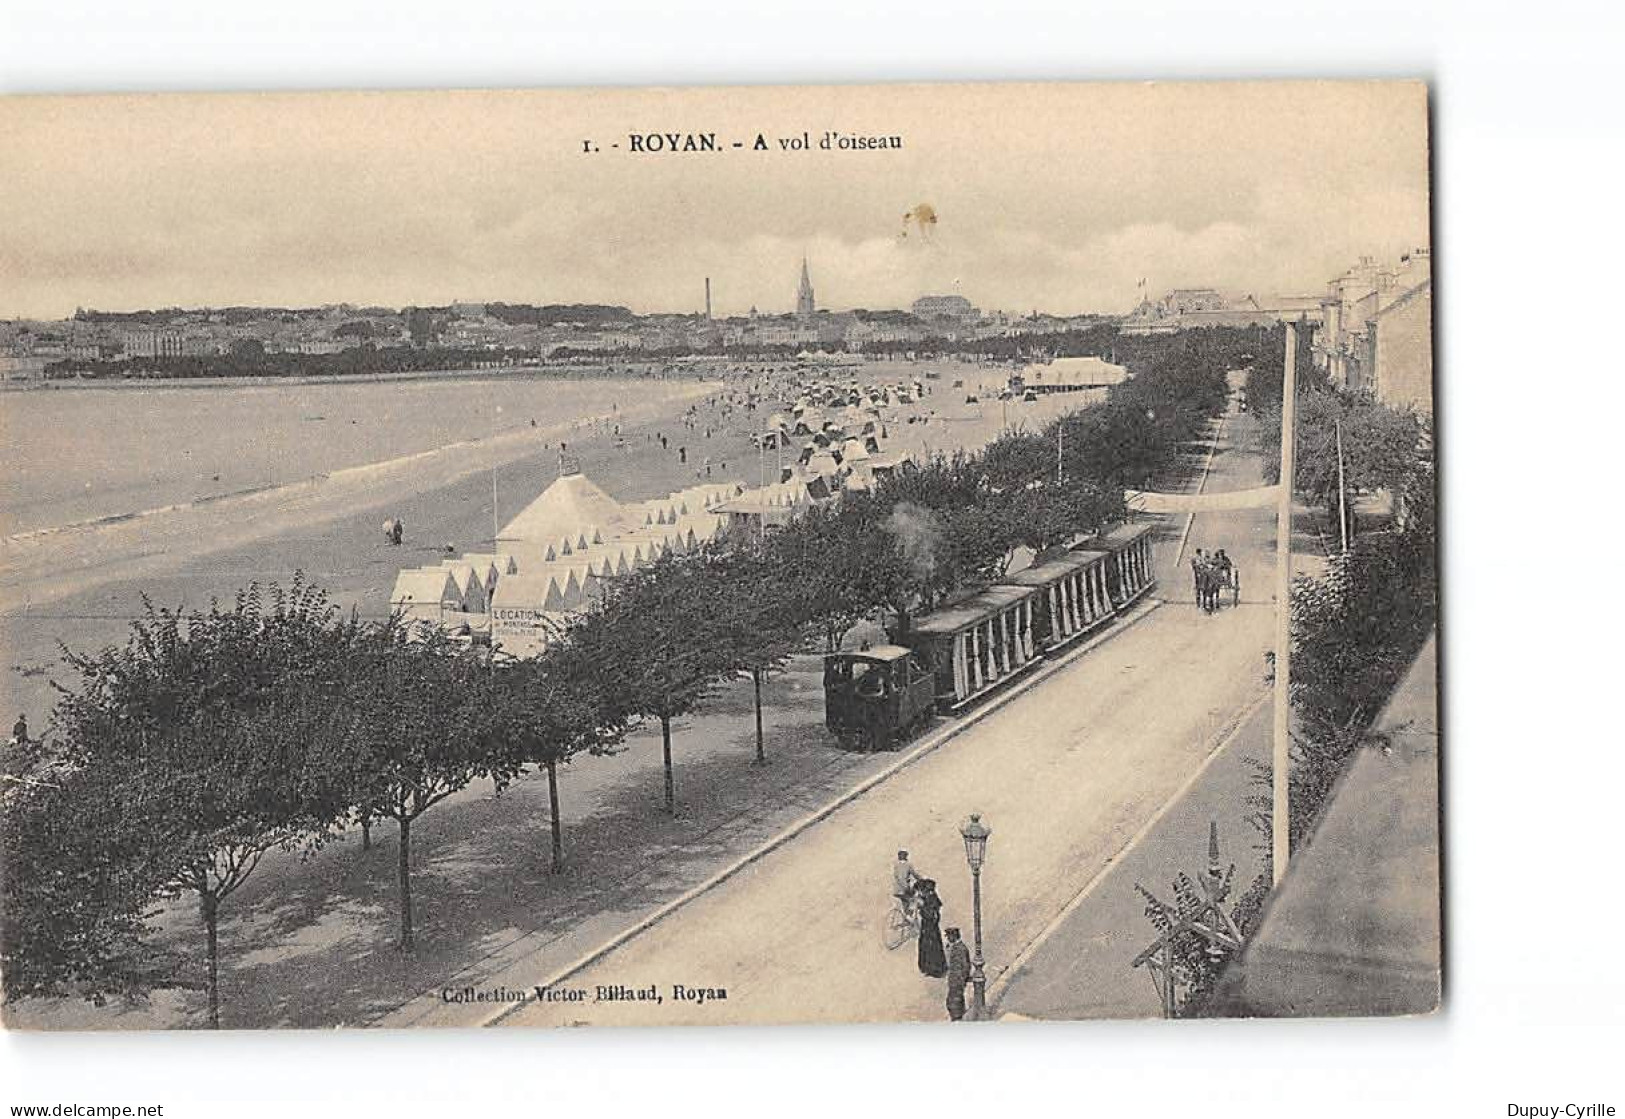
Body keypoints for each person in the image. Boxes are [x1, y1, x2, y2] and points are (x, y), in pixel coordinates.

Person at [916, 879, 947, 978]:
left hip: (930, 928)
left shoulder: (930, 899)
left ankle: (934, 969)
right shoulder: (929, 898)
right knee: (927, 946)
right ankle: (928, 968)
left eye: (920, 891)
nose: (919, 893)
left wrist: (922, 907)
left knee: (931, 947)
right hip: (928, 927)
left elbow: (930, 915)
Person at [944, 927, 972, 1021]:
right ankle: (957, 1016)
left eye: (949, 936)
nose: (947, 938)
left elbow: (965, 966)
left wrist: (962, 979)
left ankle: (957, 1018)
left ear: (954, 936)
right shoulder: (954, 947)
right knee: (954, 1000)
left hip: (957, 980)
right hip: (954, 979)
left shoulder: (960, 949)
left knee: (953, 1001)